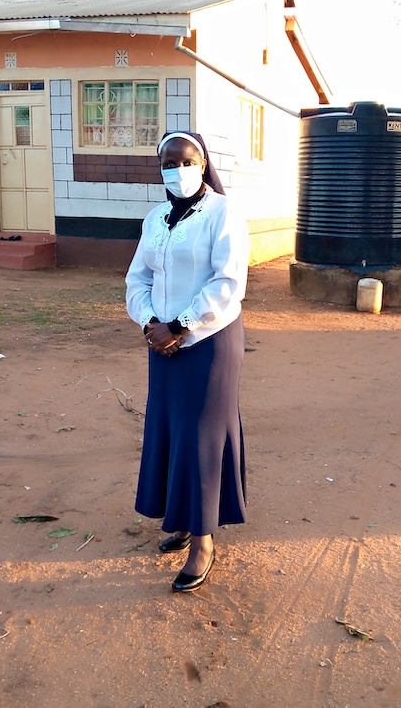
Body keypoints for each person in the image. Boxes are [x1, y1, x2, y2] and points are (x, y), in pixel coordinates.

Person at [125, 131, 250, 592]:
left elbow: (228, 282)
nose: (177, 170)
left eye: (186, 160)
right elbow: (137, 278)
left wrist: (179, 325)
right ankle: (180, 519)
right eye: (168, 162)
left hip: (209, 340)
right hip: (162, 342)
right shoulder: (155, 218)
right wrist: (149, 323)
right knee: (171, 429)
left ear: (202, 163)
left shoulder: (223, 213)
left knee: (201, 435)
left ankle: (203, 540)